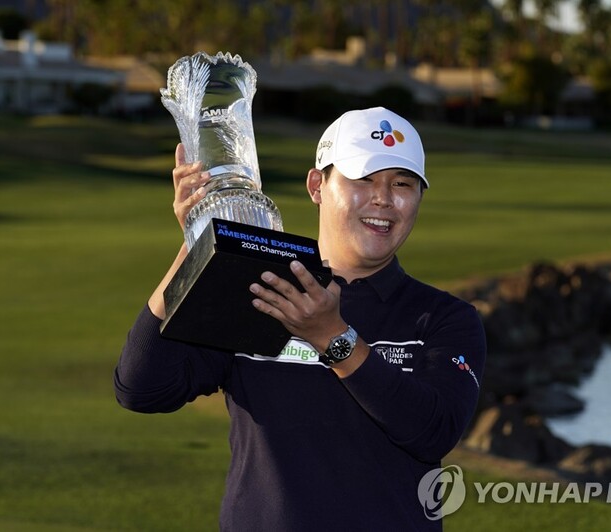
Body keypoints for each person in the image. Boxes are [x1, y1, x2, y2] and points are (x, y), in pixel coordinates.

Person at [115, 107, 486, 530]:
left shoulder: (445, 318)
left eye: (402, 184)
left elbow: (433, 432)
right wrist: (197, 244)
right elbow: (141, 389)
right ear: (317, 186)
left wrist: (333, 337)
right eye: (363, 179)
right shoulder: (260, 288)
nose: (383, 198)